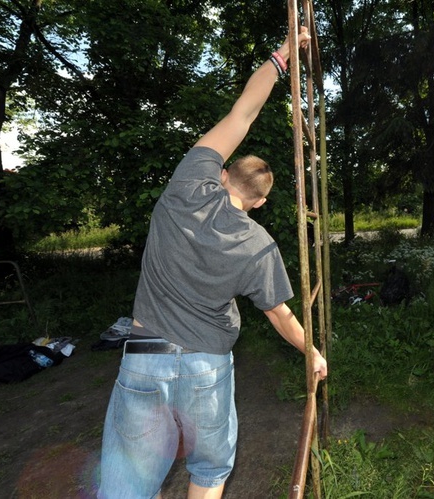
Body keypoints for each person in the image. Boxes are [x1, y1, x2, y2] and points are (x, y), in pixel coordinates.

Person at [98, 27, 327, 499]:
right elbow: (281, 316)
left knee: (127, 484)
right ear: (261, 203)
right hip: (207, 366)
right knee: (208, 471)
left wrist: (283, 55)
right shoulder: (259, 244)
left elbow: (243, 113)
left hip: (145, 357)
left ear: (222, 173)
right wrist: (313, 352)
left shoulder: (187, 184)